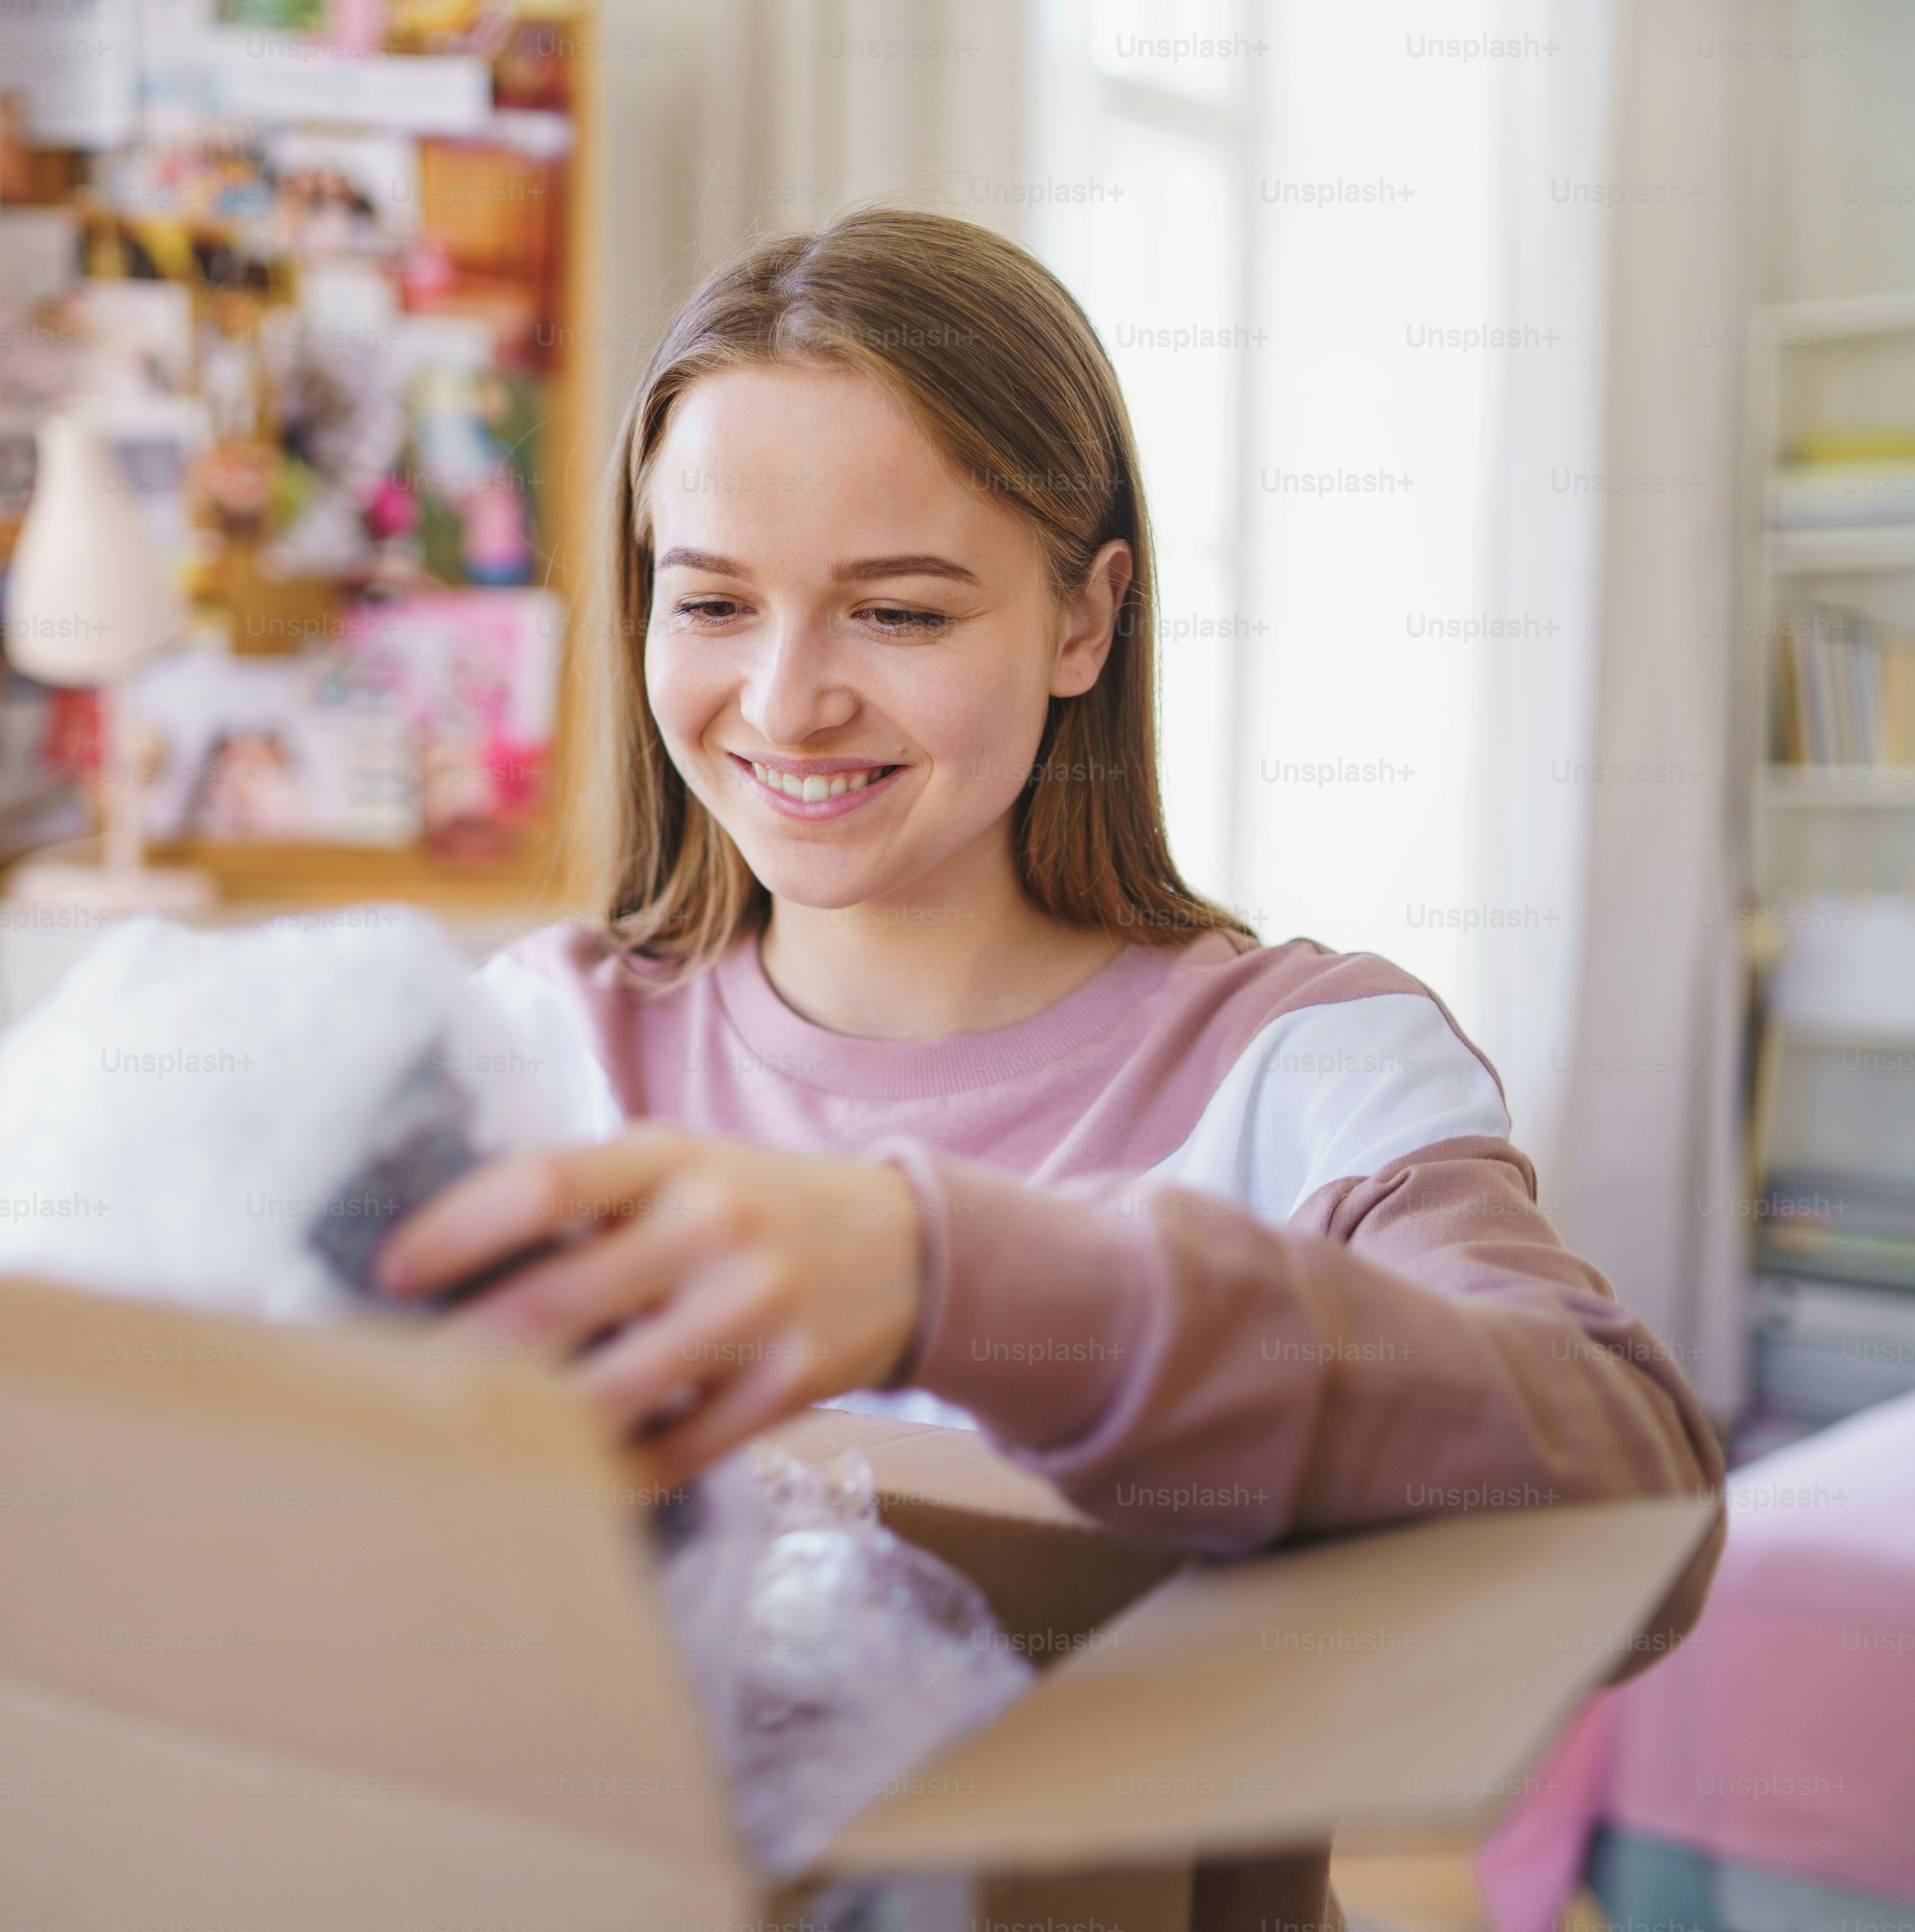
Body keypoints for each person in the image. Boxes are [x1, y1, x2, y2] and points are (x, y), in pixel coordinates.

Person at [374, 204, 1723, 1595]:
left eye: (900, 613)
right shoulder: (529, 1047)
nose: (787, 705)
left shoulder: (1308, 1070)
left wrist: (946, 1278)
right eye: (713, 606)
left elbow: (1636, 1500)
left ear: (1085, 620)